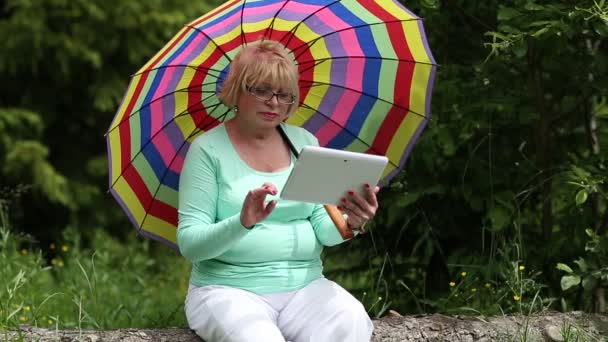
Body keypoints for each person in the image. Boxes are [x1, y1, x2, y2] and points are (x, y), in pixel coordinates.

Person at [177, 38, 380, 342]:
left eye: (284, 94)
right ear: (237, 91)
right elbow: (190, 245)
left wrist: (352, 221)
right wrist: (243, 221)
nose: (274, 102)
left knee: (351, 322)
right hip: (227, 291)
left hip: (306, 288)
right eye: (261, 90)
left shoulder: (304, 143)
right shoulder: (207, 150)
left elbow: (324, 230)